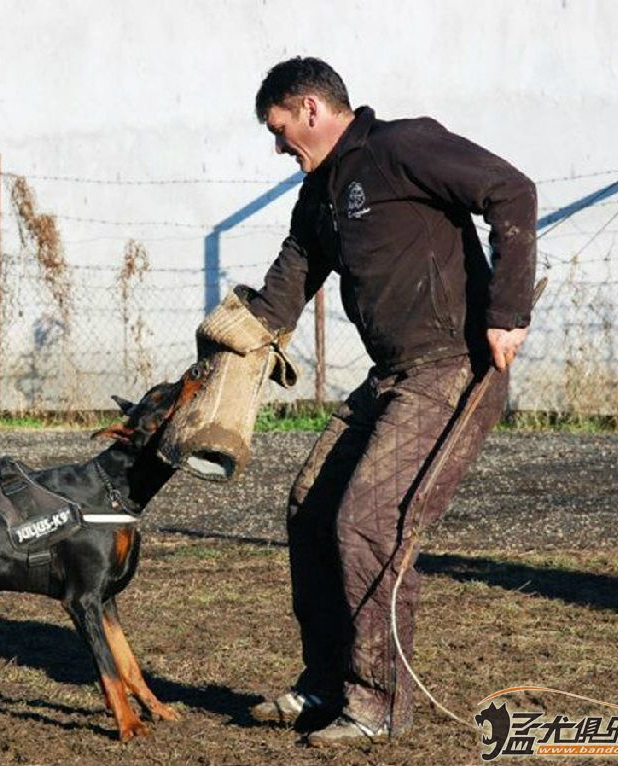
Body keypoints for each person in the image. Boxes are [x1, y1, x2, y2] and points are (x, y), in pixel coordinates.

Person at [242, 57, 536, 746]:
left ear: (310, 109)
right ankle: (325, 682)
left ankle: (378, 702)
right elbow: (290, 279)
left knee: (368, 521)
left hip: (454, 367)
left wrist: (509, 309)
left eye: (280, 128)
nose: (279, 145)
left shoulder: (401, 147)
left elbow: (511, 192)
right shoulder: (318, 196)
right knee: (310, 508)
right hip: (392, 374)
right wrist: (233, 342)